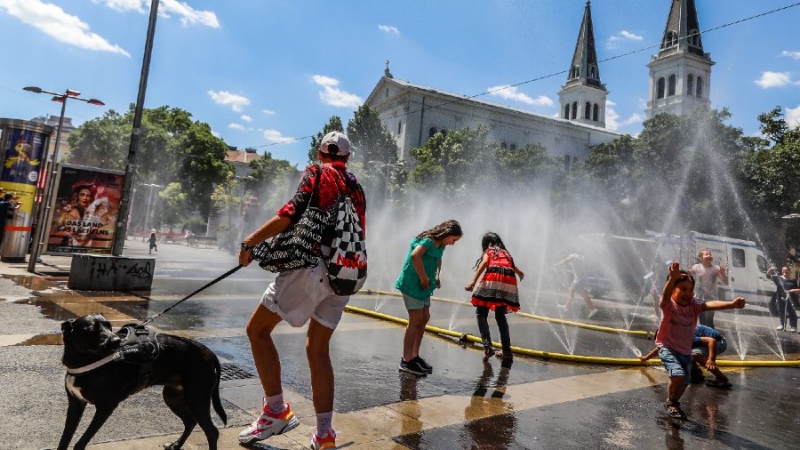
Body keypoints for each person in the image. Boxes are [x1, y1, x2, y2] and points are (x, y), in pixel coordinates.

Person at [236, 131, 365, 449]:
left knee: (257, 331)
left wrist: (250, 242)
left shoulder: (317, 173)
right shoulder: (356, 187)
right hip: (342, 275)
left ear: (321, 153)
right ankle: (324, 434)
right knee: (318, 350)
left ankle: (275, 411)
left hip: (310, 269)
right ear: (346, 158)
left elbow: (290, 213)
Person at [654, 261, 745, 420]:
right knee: (678, 375)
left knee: (685, 381)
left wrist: (731, 304)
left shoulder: (693, 305)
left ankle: (674, 401)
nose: (687, 293)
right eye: (682, 289)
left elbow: (709, 304)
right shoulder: (669, 306)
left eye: (690, 290)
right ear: (673, 290)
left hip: (685, 351)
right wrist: (672, 278)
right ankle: (670, 401)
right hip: (668, 348)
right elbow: (666, 295)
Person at [395, 220, 463, 375]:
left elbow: (438, 258)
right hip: (412, 283)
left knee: (424, 318)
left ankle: (414, 355)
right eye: (454, 240)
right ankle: (406, 361)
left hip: (424, 285)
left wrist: (437, 274)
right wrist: (424, 277)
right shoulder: (428, 241)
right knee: (415, 319)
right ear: (446, 233)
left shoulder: (441, 245)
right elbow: (415, 256)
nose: (453, 243)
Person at [465, 232, 524, 362]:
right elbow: (513, 267)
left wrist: (473, 282)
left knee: (481, 313)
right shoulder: (506, 253)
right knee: (500, 315)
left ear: (487, 243)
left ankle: (487, 347)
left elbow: (485, 262)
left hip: (494, 276)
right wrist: (520, 273)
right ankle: (507, 351)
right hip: (509, 279)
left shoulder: (489, 250)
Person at [689, 249, 728, 328]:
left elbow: (725, 281)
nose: (709, 256)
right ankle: (703, 336)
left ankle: (711, 335)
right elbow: (688, 275)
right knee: (702, 319)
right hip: (699, 297)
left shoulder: (715, 269)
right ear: (701, 258)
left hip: (711, 298)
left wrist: (722, 273)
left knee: (709, 319)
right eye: (706, 254)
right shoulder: (696, 267)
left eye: (710, 254)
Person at [554, 252, 598, 318]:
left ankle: (592, 309)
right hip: (581, 277)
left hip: (580, 278)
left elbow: (566, 260)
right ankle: (567, 307)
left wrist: (557, 265)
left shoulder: (573, 256)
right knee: (578, 291)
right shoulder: (581, 257)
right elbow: (578, 267)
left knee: (574, 291)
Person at [691, 324, 732, 388]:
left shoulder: (686, 335)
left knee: (694, 355)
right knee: (685, 352)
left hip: (719, 342)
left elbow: (711, 341)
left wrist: (711, 360)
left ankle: (721, 378)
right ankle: (696, 374)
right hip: (707, 341)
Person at [767, 266, 799, 332]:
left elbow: (798, 289)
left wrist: (790, 291)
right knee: (781, 311)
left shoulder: (793, 280)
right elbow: (768, 276)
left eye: (786, 271)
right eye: (783, 271)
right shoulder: (779, 278)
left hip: (791, 299)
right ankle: (782, 325)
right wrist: (770, 270)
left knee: (792, 312)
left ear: (789, 271)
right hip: (780, 298)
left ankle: (793, 326)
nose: (784, 272)